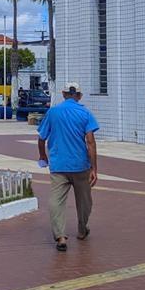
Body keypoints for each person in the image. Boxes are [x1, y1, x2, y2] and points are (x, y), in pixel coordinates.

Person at [36, 82, 99, 252]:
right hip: (80, 165)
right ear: (79, 96)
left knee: (56, 200)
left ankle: (60, 236)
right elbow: (91, 142)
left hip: (58, 166)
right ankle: (82, 228)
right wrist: (94, 168)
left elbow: (41, 138)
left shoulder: (53, 112)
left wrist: (43, 156)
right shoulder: (85, 113)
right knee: (85, 201)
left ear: (63, 94)